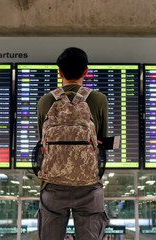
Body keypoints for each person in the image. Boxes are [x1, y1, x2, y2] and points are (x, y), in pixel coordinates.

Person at [35, 47, 109, 240]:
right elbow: (102, 141)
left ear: (59, 72)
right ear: (86, 71)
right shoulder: (99, 99)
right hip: (89, 185)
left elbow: (42, 142)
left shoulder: (45, 101)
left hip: (52, 186)